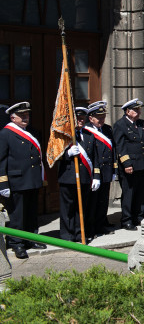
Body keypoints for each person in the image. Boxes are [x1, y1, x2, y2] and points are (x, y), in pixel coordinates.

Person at [0, 102, 47, 259]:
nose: (26, 118)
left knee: (31, 213)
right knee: (17, 215)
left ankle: (31, 238)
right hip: (16, 181)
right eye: (22, 116)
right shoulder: (6, 134)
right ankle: (16, 243)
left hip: (31, 179)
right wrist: (3, 183)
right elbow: (1, 160)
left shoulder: (31, 131)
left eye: (27, 115)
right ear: (13, 117)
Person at [57, 107, 101, 242]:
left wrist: (96, 177)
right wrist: (66, 155)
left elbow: (95, 158)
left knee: (81, 207)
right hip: (68, 177)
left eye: (83, 118)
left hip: (85, 177)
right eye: (78, 118)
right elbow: (53, 155)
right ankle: (66, 235)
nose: (81, 121)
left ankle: (78, 233)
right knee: (68, 208)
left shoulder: (89, 135)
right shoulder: (63, 136)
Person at [113, 98, 144, 231]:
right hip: (129, 165)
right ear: (128, 111)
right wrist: (127, 163)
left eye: (139, 109)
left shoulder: (142, 124)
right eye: (135, 110)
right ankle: (127, 220)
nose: (138, 112)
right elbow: (120, 146)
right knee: (129, 193)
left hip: (142, 163)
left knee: (141, 192)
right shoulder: (120, 125)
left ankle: (139, 216)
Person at [84, 102, 117, 236]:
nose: (101, 120)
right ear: (91, 118)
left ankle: (101, 223)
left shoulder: (107, 129)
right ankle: (91, 227)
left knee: (103, 200)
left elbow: (113, 149)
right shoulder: (86, 131)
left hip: (107, 170)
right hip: (93, 172)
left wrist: (114, 170)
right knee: (93, 202)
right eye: (98, 117)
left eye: (103, 117)